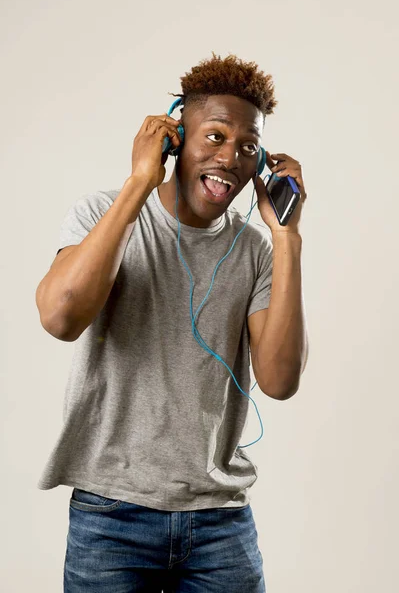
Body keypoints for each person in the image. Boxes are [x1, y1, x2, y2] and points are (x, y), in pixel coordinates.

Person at [36, 52, 309, 592]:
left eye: (248, 146)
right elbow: (61, 317)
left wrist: (287, 238)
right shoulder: (102, 214)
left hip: (220, 522)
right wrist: (140, 182)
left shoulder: (255, 249)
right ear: (175, 135)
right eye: (214, 136)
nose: (231, 157)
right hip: (110, 517)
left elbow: (279, 381)